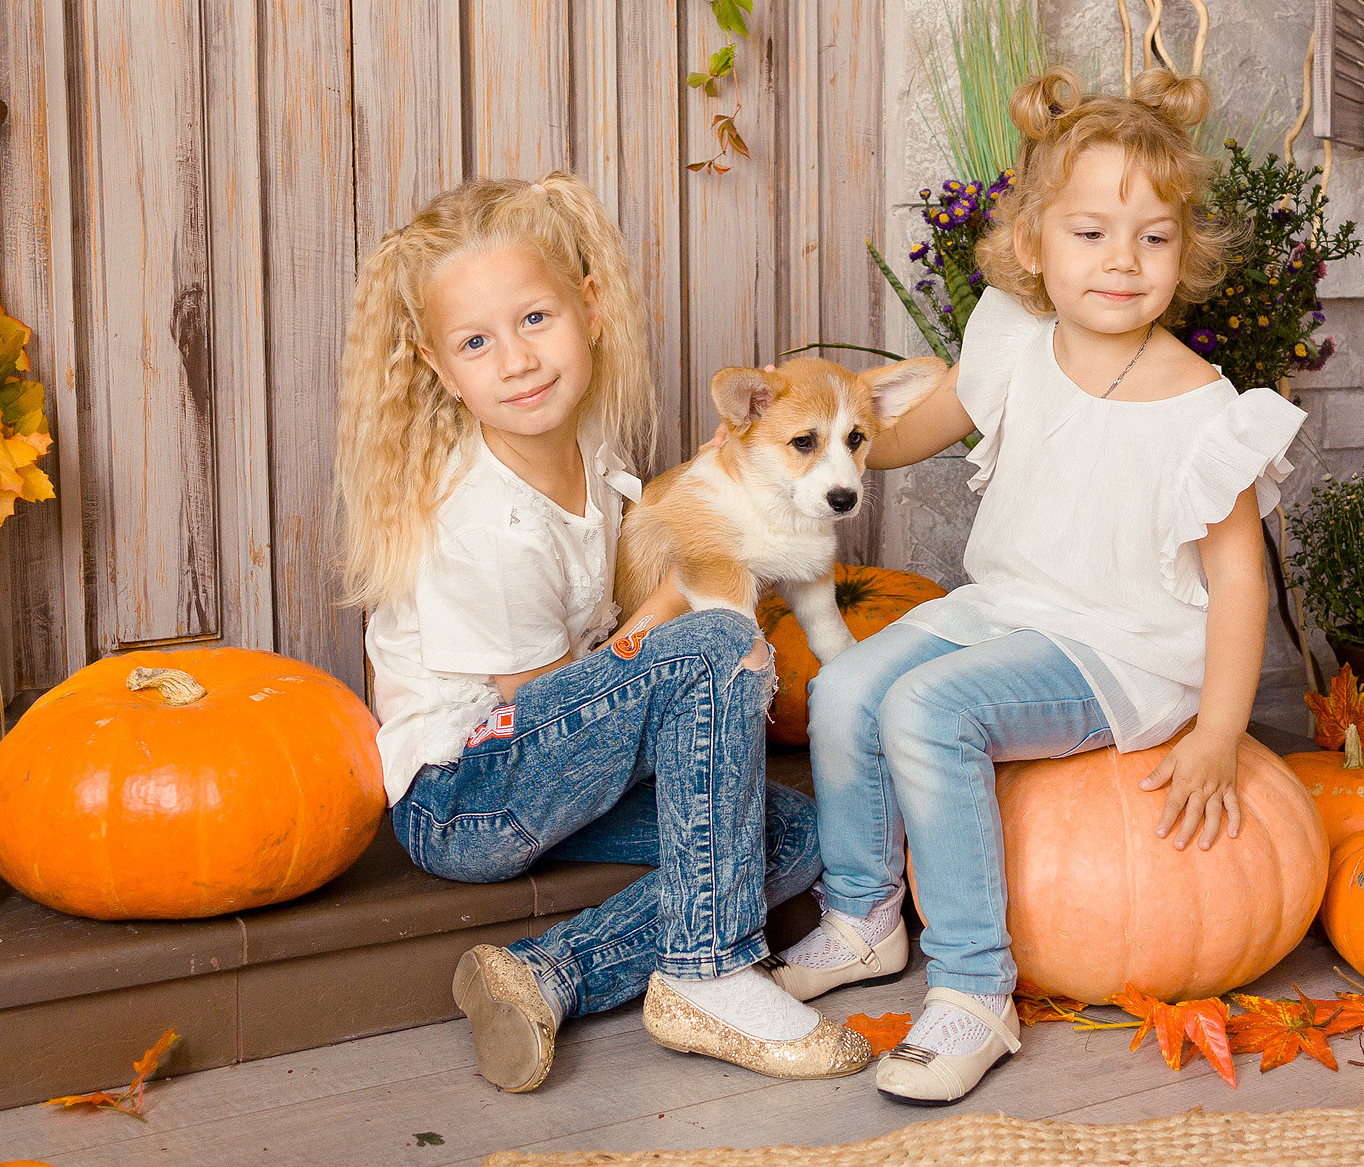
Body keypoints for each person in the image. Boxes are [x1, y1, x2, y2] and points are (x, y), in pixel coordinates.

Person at [767, 68, 1306, 1105]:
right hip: (1007, 612)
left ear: (1184, 256)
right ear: (1034, 246)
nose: (1122, 261)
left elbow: (1240, 585)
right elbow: (904, 435)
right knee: (842, 688)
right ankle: (865, 921)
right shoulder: (1013, 343)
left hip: (1121, 649)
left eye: (1153, 238)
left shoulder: (1206, 410)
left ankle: (973, 989)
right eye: (1091, 232)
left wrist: (1216, 733)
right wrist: (818, 438)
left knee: (928, 710)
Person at [335, 172, 869, 1094]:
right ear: (437, 367)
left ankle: (549, 972)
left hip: (550, 765)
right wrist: (672, 619)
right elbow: (540, 698)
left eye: (535, 319)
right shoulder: (480, 522)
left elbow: (638, 575)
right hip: (468, 791)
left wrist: (715, 495)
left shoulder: (585, 453)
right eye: (476, 342)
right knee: (710, 642)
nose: (517, 360)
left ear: (589, 308)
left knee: (791, 837)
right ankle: (709, 969)